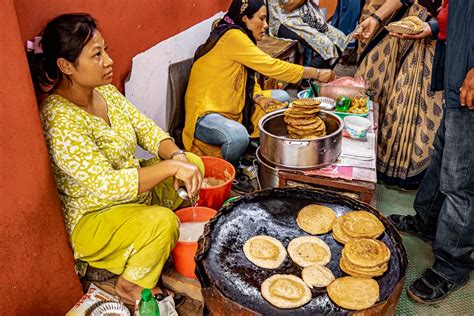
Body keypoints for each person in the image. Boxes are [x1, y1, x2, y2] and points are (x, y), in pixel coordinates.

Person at [27, 13, 203, 304]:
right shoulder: (58, 118)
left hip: (133, 198)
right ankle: (129, 286)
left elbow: (146, 129)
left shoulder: (106, 92)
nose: (108, 61)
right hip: (96, 217)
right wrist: (170, 167)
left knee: (194, 164)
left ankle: (148, 244)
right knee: (163, 222)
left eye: (105, 50)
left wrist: (177, 156)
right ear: (66, 66)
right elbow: (107, 185)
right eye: (96, 55)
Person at [184, 0, 335, 193]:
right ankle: (232, 171)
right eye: (262, 19)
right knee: (237, 136)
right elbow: (271, 66)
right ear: (245, 18)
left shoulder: (240, 37)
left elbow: (244, 79)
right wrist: (316, 73)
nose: (265, 26)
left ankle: (252, 147)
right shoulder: (232, 36)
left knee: (281, 96)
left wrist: (258, 97)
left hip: (232, 106)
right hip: (205, 115)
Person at [386, 0, 474, 304]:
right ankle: (426, 222)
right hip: (457, 72)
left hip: (470, 79)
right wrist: (432, 26)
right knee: (442, 160)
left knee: (461, 182)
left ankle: (453, 265)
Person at [355, 0, 444, 189]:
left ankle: (411, 170)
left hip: (438, 31)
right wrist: (376, 18)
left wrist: (435, 25)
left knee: (420, 101)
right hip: (411, 22)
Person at [267, 0, 348, 68]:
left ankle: (321, 78)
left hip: (306, 16)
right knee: (327, 45)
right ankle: (307, 80)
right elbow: (288, 7)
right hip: (285, 21)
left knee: (340, 38)